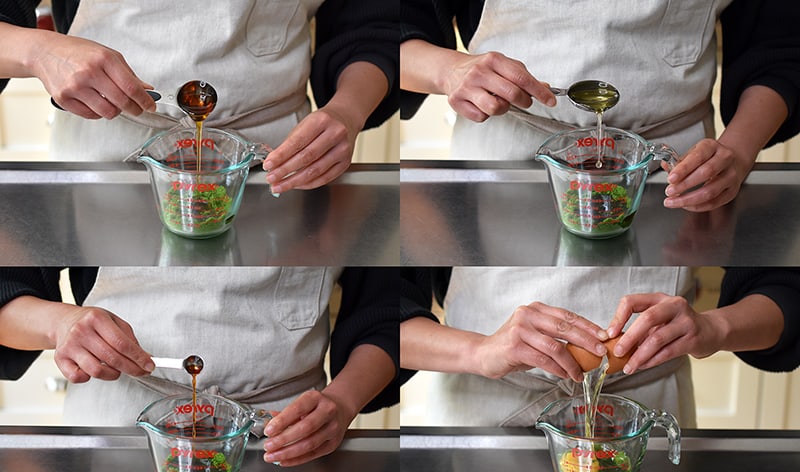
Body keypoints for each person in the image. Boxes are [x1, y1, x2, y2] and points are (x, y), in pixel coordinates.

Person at [400, 1, 800, 212]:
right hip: (505, 165)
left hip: (671, 174)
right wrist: (449, 70)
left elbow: (779, 47)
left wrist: (738, 151)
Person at [0, 266, 399, 467]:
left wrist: (343, 401)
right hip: (118, 435)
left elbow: (385, 313)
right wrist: (60, 323)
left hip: (289, 438)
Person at [0, 1, 398, 194]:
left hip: (279, 159)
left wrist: (349, 109)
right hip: (112, 152)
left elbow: (371, 27)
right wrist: (38, 51)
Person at [400, 267, 800, 427]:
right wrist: (478, 351)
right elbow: (382, 318)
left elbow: (785, 289)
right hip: (482, 418)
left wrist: (715, 326)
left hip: (647, 414)